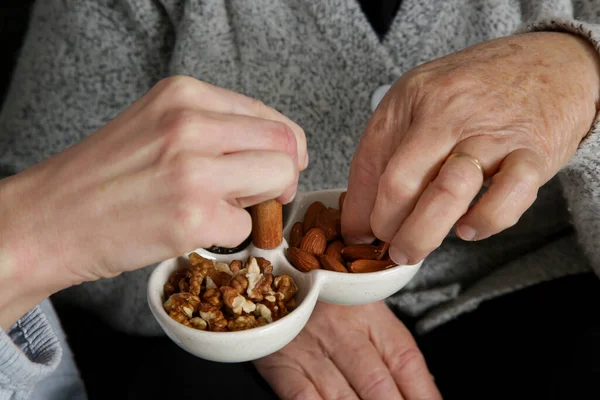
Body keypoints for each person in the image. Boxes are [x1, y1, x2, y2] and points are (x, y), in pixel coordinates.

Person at [1, 0, 599, 399]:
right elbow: (52, 193)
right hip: (217, 337)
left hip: (541, 289)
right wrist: (270, 302)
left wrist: (583, 74)